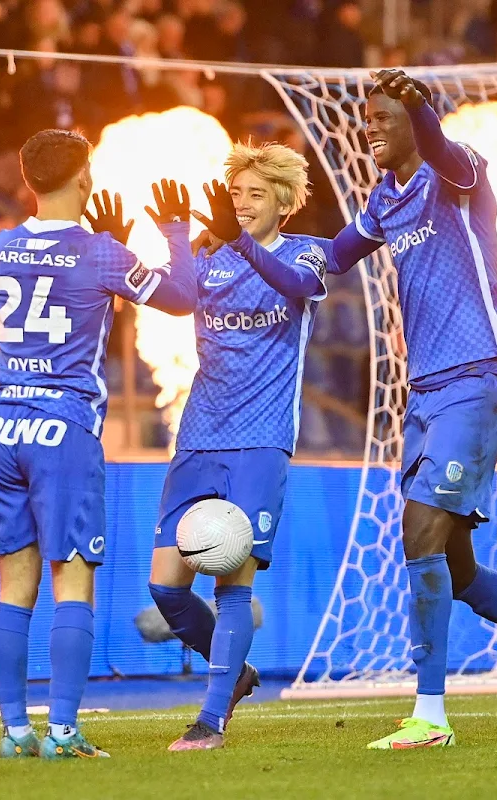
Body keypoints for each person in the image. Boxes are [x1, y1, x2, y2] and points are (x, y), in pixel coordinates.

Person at [324, 70, 497, 749]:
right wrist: (247, 245)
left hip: (478, 378)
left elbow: (442, 150)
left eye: (383, 118)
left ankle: (431, 717)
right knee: (455, 566)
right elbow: (331, 258)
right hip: (424, 394)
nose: (369, 130)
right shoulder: (384, 200)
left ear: (415, 120)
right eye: (368, 119)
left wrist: (421, 109)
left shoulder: (459, 174)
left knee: (417, 534)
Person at [0, 129, 197, 760]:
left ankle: (16, 731)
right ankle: (64, 732)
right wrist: (176, 233)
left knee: (11, 587)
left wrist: (110, 246)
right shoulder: (99, 253)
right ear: (85, 179)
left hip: (2, 426)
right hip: (63, 429)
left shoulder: (0, 246)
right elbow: (181, 296)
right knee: (71, 583)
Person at [147, 142, 334, 751]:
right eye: (236, 194)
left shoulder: (305, 254)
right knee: (166, 587)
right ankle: (237, 674)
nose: (244, 204)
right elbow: (176, 298)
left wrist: (243, 242)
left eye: (257, 194)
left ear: (284, 200)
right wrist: (177, 234)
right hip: (198, 438)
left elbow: (292, 284)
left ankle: (211, 717)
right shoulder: (211, 259)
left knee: (232, 584)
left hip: (260, 444)